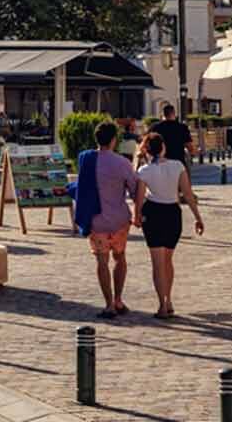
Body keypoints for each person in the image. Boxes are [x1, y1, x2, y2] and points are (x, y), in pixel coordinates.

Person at [133, 131, 204, 319]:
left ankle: (162, 305)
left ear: (147, 150)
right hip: (173, 213)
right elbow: (188, 194)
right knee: (168, 261)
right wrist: (198, 217)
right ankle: (169, 299)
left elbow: (139, 199)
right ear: (163, 147)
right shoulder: (177, 166)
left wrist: (136, 216)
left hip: (153, 213)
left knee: (157, 263)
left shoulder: (144, 171)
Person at [74, 122, 138, 319]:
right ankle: (119, 299)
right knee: (120, 258)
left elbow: (82, 185)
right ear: (113, 140)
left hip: (97, 220)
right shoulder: (122, 163)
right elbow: (135, 190)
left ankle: (108, 304)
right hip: (119, 220)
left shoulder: (86, 159)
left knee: (102, 262)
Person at [153, 104, 195, 168]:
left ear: (163, 114)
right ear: (174, 113)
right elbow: (189, 147)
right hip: (178, 163)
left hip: (160, 164)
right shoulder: (182, 127)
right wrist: (194, 152)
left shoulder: (155, 127)